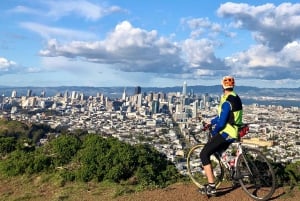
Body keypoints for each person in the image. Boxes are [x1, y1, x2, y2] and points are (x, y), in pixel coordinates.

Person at [199, 75, 243, 196]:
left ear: (222, 86)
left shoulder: (226, 101)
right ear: (233, 86)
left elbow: (222, 121)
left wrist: (214, 131)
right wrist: (211, 122)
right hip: (235, 131)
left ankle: (212, 187)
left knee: (204, 154)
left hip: (227, 132)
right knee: (219, 150)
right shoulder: (236, 97)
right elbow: (222, 117)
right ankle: (233, 170)